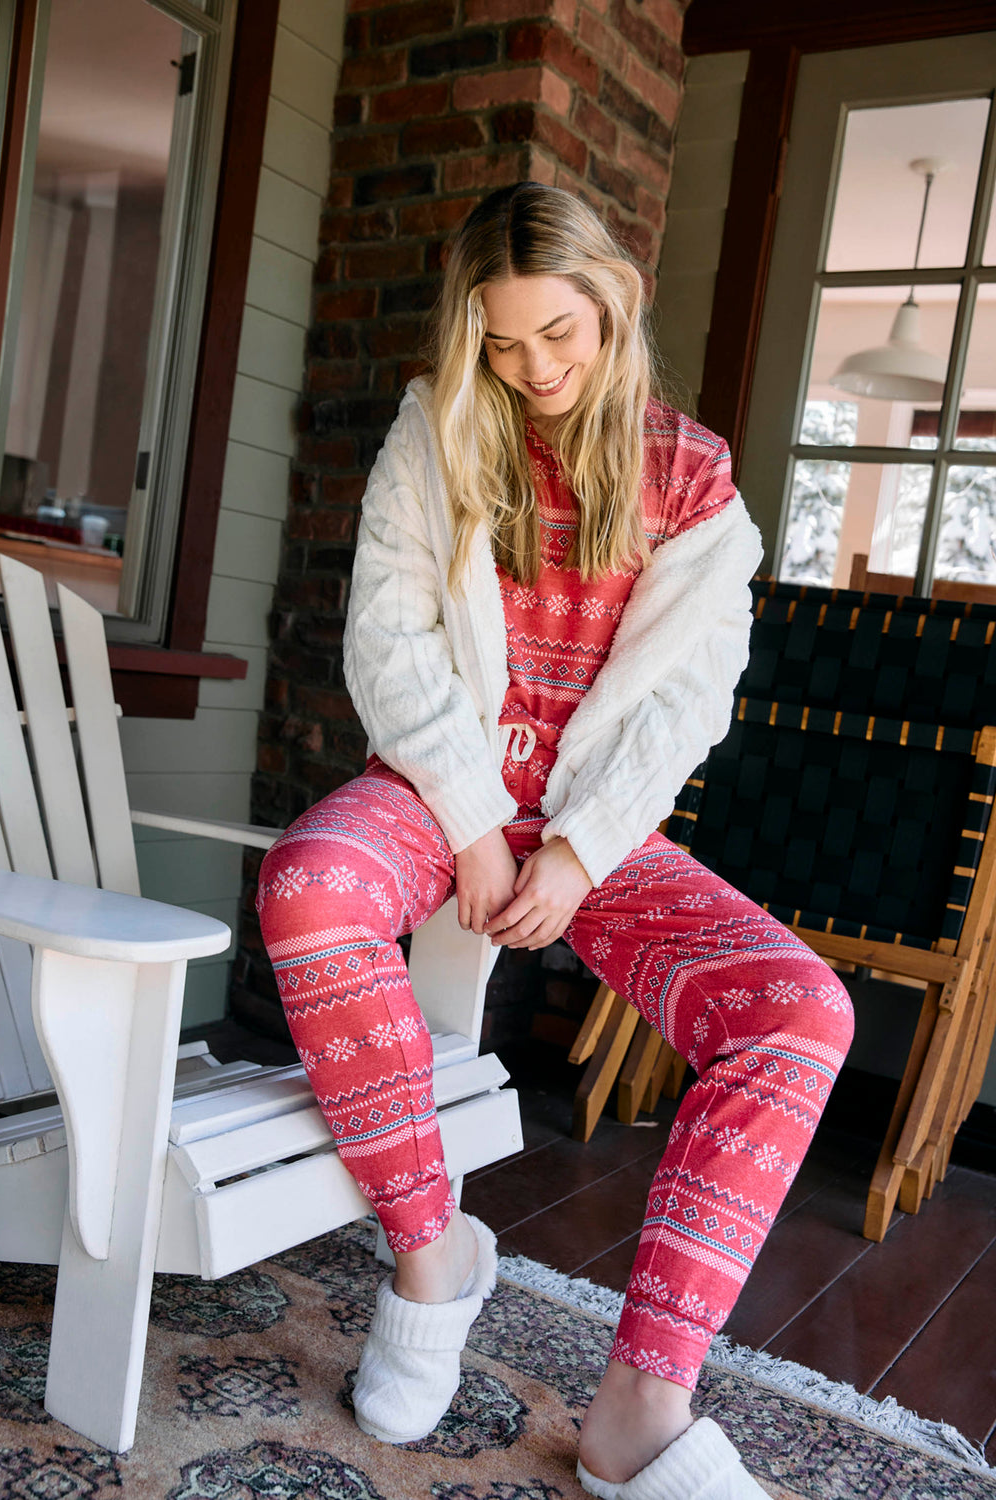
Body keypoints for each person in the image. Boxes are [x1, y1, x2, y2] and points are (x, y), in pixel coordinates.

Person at [257, 182, 854, 1500]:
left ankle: (641, 1405)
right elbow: (388, 635)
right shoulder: (437, 429)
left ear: (617, 303)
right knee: (310, 888)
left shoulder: (693, 484)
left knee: (799, 1013)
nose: (533, 369)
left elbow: (687, 701)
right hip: (436, 794)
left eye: (560, 334)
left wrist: (574, 853)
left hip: (600, 832)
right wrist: (472, 822)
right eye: (503, 341)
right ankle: (431, 1255)